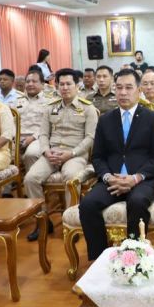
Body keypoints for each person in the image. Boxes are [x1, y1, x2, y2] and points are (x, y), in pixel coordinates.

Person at [78, 69, 154, 260]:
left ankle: (133, 258)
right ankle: (100, 258)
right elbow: (98, 157)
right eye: (119, 88)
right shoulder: (105, 120)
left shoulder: (152, 119)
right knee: (87, 204)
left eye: (128, 88)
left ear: (139, 90)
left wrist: (135, 178)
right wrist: (108, 177)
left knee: (136, 202)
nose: (123, 93)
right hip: (113, 179)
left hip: (143, 180)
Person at [23, 68, 97, 241]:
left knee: (71, 177)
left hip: (75, 154)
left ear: (77, 86)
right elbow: (42, 134)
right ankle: (42, 221)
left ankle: (71, 222)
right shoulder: (50, 108)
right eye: (61, 84)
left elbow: (90, 138)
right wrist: (46, 151)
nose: (64, 88)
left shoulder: (88, 108)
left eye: (68, 84)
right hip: (52, 153)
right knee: (30, 178)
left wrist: (71, 153)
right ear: (56, 86)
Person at [15, 70, 52, 171]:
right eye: (28, 81)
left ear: (43, 84)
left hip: (38, 138)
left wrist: (32, 138)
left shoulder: (50, 102)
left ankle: (30, 183)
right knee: (2, 154)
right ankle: (10, 185)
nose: (30, 84)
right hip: (16, 138)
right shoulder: (17, 100)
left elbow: (50, 125)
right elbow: (11, 122)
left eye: (34, 81)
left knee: (31, 154)